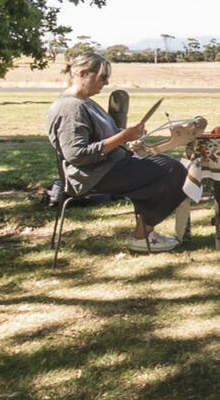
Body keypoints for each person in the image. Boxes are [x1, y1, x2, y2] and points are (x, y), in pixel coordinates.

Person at [46, 50, 189, 253]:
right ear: (83, 74)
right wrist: (122, 138)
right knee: (173, 171)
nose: (106, 82)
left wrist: (127, 133)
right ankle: (142, 236)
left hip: (107, 167)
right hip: (91, 176)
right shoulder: (70, 107)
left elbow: (101, 135)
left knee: (166, 165)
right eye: (102, 77)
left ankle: (145, 233)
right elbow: (77, 154)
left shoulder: (85, 102)